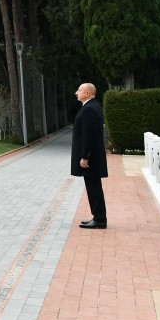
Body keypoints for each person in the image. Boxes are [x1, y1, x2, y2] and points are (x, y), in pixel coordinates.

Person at [71, 82, 107, 229]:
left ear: (87, 93)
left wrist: (85, 156)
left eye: (79, 90)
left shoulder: (89, 109)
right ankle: (98, 217)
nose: (76, 92)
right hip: (92, 157)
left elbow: (89, 136)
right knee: (93, 186)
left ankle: (99, 219)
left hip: (90, 158)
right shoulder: (91, 107)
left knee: (94, 187)